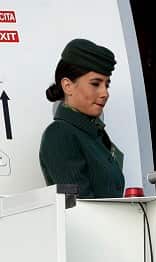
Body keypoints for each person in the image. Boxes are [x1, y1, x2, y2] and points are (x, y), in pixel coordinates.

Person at [39, 39, 124, 199]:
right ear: (68, 86)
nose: (104, 93)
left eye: (107, 84)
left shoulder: (94, 134)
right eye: (95, 83)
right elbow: (81, 207)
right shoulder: (59, 134)